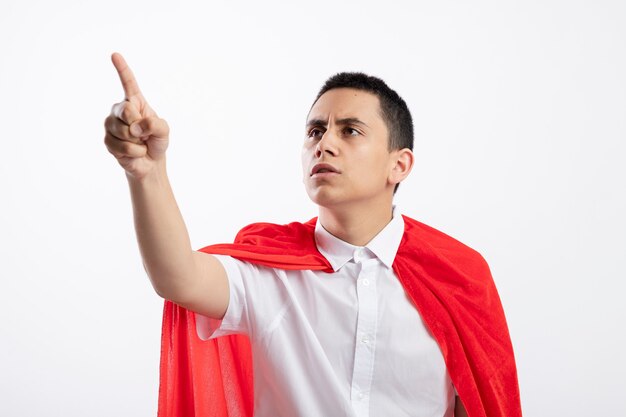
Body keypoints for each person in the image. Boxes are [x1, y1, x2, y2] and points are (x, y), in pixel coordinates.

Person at [104, 52, 521, 417]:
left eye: (350, 130)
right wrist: (147, 172)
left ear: (400, 165)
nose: (324, 145)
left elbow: (483, 402)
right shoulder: (270, 273)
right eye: (315, 131)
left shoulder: (459, 275)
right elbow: (178, 277)